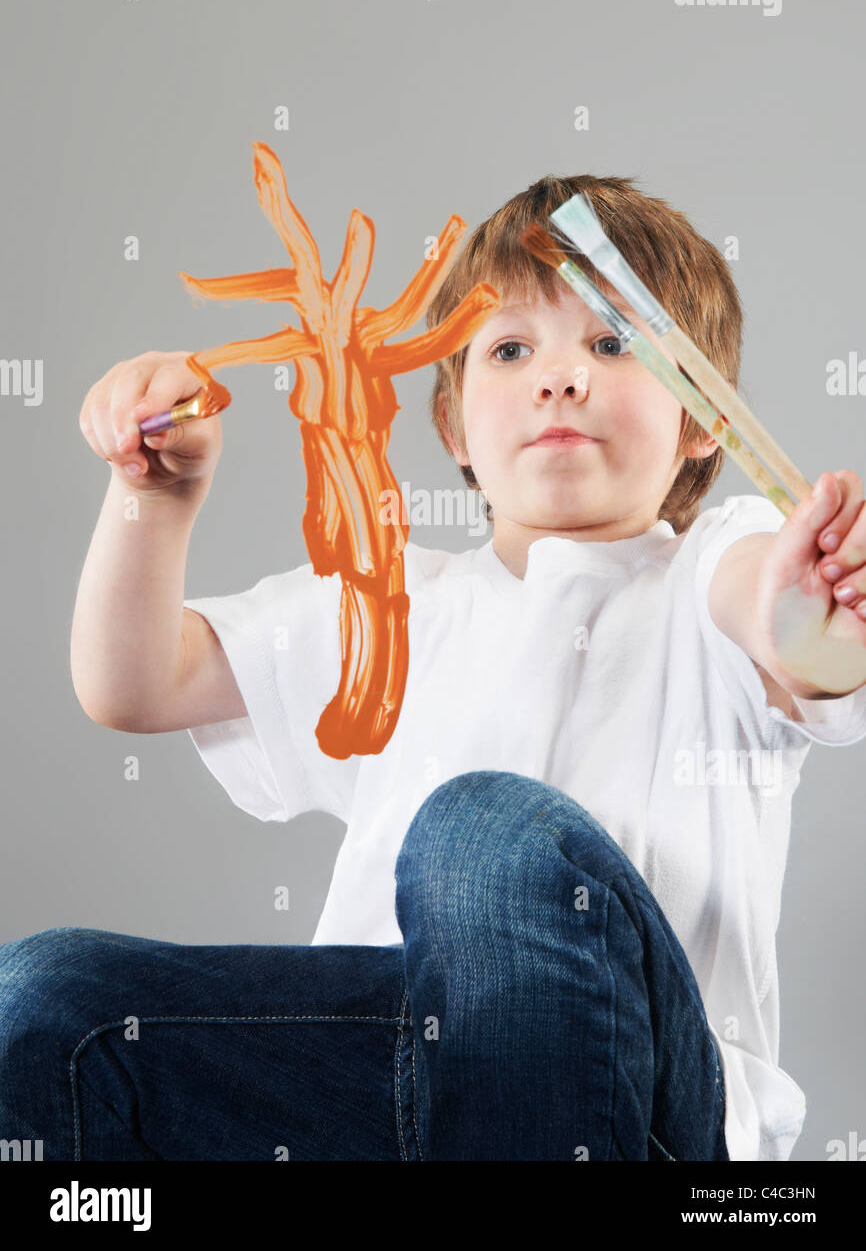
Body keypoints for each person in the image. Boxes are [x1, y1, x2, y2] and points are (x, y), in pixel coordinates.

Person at [3, 174, 866, 1161]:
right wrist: (154, 502)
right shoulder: (383, 601)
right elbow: (134, 682)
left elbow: (784, 627)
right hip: (387, 1091)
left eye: (612, 342)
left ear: (702, 417)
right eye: (509, 349)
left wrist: (818, 605)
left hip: (637, 1098)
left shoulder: (713, 565)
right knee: (46, 1001)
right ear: (454, 428)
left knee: (479, 832)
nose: (559, 377)